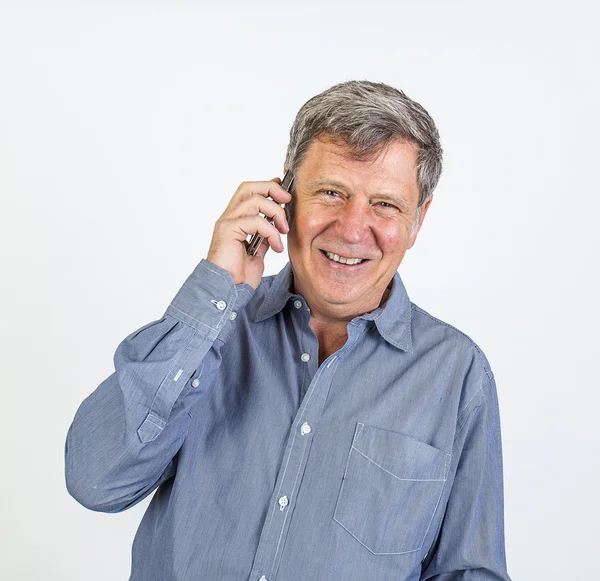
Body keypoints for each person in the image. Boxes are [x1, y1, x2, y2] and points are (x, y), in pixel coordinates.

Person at [65, 80, 511, 581]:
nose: (351, 227)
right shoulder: (212, 331)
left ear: (417, 220)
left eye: (384, 204)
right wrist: (216, 289)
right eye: (331, 192)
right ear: (284, 195)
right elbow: (95, 481)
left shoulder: (457, 374)